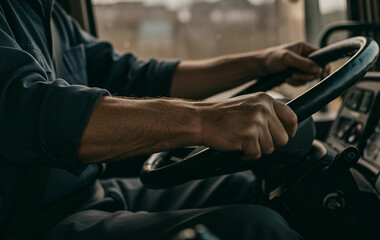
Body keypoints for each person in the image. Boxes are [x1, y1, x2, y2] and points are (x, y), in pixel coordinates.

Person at [0, 0, 325, 239]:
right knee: (257, 229)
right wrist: (204, 121)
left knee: (251, 189)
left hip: (91, 194)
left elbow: (135, 78)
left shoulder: (45, 13)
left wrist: (261, 63)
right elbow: (30, 112)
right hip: (35, 223)